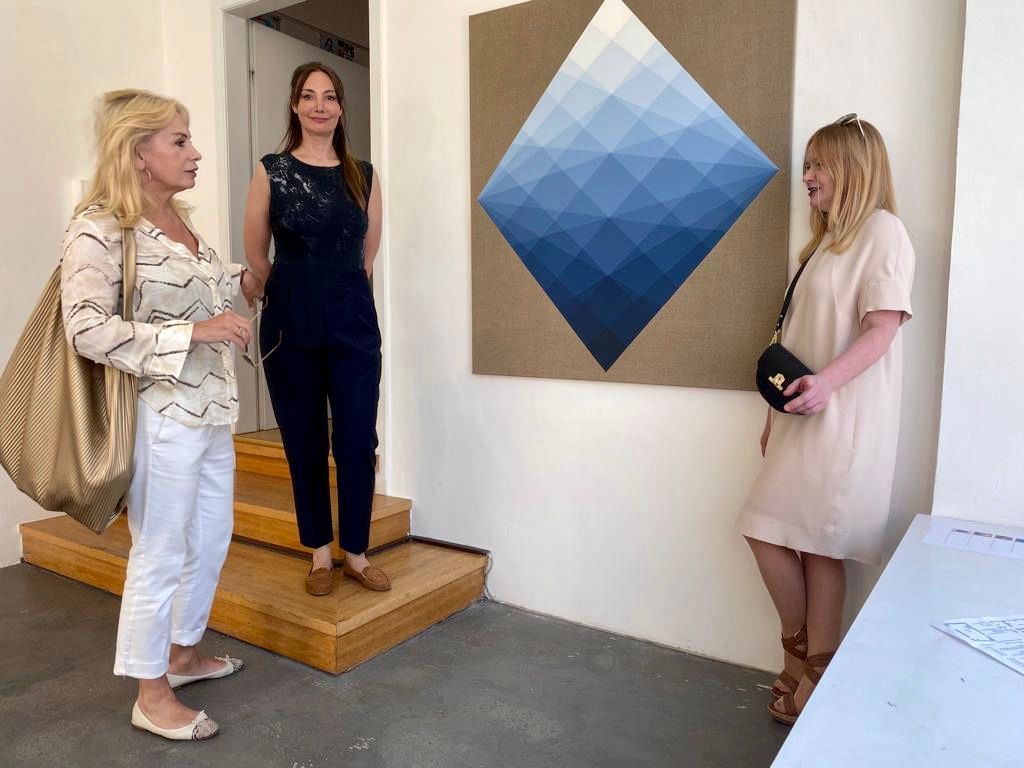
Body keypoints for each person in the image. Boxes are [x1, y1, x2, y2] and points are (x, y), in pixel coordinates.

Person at [61, 89, 263, 740]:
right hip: (159, 414)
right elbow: (85, 328)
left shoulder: (181, 224)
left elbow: (210, 288)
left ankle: (182, 655)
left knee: (210, 540)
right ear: (138, 153)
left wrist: (250, 277)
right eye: (179, 140)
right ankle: (150, 694)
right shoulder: (99, 228)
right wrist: (194, 333)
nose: (195, 152)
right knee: (160, 551)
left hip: (212, 410)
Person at [735, 114, 915, 725]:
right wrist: (774, 417)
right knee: (792, 538)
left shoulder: (883, 232)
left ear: (853, 169)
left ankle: (809, 664)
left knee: (812, 543)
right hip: (803, 415)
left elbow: (882, 329)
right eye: (807, 165)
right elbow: (797, 338)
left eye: (819, 164)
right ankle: (808, 658)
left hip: (843, 419)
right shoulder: (822, 245)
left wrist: (828, 384)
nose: (807, 175)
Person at [242, 62, 386, 596]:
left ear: (341, 107)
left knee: (356, 438)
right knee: (303, 440)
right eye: (309, 96)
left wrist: (338, 293)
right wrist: (277, 288)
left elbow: (366, 257)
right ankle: (320, 554)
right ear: (295, 106)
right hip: (291, 324)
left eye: (329, 96)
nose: (319, 105)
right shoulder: (272, 170)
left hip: (353, 323)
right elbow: (257, 255)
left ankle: (357, 553)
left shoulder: (363, 175)